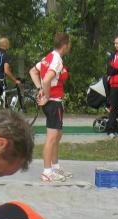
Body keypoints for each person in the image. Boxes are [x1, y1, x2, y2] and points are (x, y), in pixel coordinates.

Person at [29, 32, 71, 183]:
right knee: (52, 138)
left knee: (57, 136)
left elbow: (33, 71)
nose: (69, 47)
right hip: (53, 102)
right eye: (69, 44)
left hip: (52, 102)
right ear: (65, 45)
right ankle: (47, 172)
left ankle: (55, 167)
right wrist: (46, 96)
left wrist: (40, 88)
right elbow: (47, 79)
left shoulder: (48, 57)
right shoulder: (57, 59)